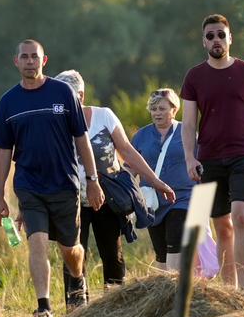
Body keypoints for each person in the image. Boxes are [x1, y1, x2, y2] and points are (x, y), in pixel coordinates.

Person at [0, 39, 105, 317]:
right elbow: (3, 152)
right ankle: (44, 306)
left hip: (64, 184)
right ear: (16, 61)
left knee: (70, 249)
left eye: (35, 57)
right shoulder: (8, 102)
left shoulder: (63, 93)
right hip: (29, 185)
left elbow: (82, 139)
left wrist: (92, 180)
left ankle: (77, 280)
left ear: (44, 61)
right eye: (24, 57)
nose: (30, 61)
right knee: (37, 243)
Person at [180, 14, 244, 291]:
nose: (216, 40)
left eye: (221, 35)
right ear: (204, 42)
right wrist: (190, 157)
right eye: (210, 36)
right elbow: (188, 124)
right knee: (222, 225)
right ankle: (229, 291)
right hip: (209, 159)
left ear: (230, 38)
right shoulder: (194, 76)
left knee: (241, 216)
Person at [53, 70, 174, 291]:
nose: (64, 101)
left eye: (69, 95)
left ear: (81, 95)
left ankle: (116, 303)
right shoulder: (54, 123)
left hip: (107, 196)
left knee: (112, 254)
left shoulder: (104, 116)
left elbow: (127, 151)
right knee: (73, 253)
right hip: (71, 199)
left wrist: (155, 181)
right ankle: (77, 303)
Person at [130, 88, 196, 273]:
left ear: (174, 109)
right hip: (152, 202)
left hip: (182, 198)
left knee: (174, 241)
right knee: (161, 252)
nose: (157, 113)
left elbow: (201, 165)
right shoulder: (141, 136)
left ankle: (174, 286)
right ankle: (163, 288)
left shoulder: (187, 132)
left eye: (162, 108)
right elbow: (130, 167)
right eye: (153, 109)